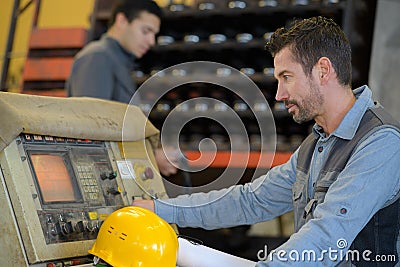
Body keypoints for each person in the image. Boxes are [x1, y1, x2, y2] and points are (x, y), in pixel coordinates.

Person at [133, 16, 400, 266]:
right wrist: (159, 209)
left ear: (323, 70)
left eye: (287, 77)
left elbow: (327, 235)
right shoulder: (316, 144)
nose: (279, 94)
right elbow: (250, 201)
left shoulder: (380, 142)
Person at [66, 0, 178, 176]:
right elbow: (92, 132)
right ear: (122, 21)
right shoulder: (97, 58)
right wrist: (150, 156)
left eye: (154, 34)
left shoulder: (117, 63)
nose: (151, 41)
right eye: (146, 31)